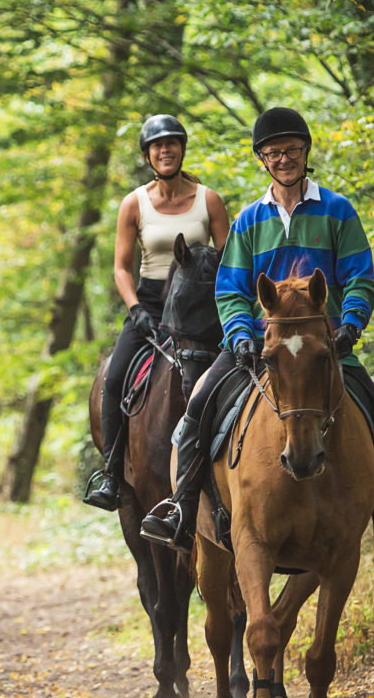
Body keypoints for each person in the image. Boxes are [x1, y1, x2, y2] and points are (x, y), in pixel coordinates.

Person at [141, 106, 374, 551]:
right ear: (262, 159)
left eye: (291, 150)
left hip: (326, 345)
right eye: (273, 152)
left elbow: (360, 276)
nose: (283, 159)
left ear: (306, 152)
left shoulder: (338, 212)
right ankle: (182, 512)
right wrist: (241, 334)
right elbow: (229, 289)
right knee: (198, 407)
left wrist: (350, 325)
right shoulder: (249, 220)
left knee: (372, 408)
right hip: (261, 348)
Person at [83, 115, 229, 510]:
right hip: (149, 306)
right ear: (148, 154)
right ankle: (112, 475)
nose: (165, 151)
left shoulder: (208, 200)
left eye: (172, 144)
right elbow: (120, 266)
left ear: (182, 149)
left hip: (200, 311)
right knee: (114, 379)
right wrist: (135, 310)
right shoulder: (135, 203)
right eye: (157, 146)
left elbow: (229, 262)